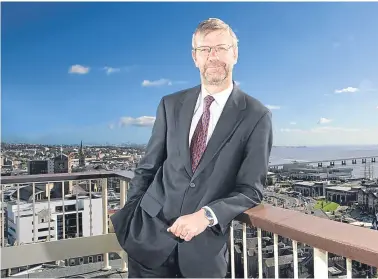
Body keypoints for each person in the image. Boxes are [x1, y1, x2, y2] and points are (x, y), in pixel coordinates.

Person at [111, 18, 273, 278]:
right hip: (148, 240)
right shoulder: (170, 104)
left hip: (203, 252)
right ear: (194, 57)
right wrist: (132, 216)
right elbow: (148, 167)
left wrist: (207, 216)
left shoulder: (256, 116)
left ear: (235, 53)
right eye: (204, 50)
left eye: (220, 48)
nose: (213, 57)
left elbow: (251, 190)